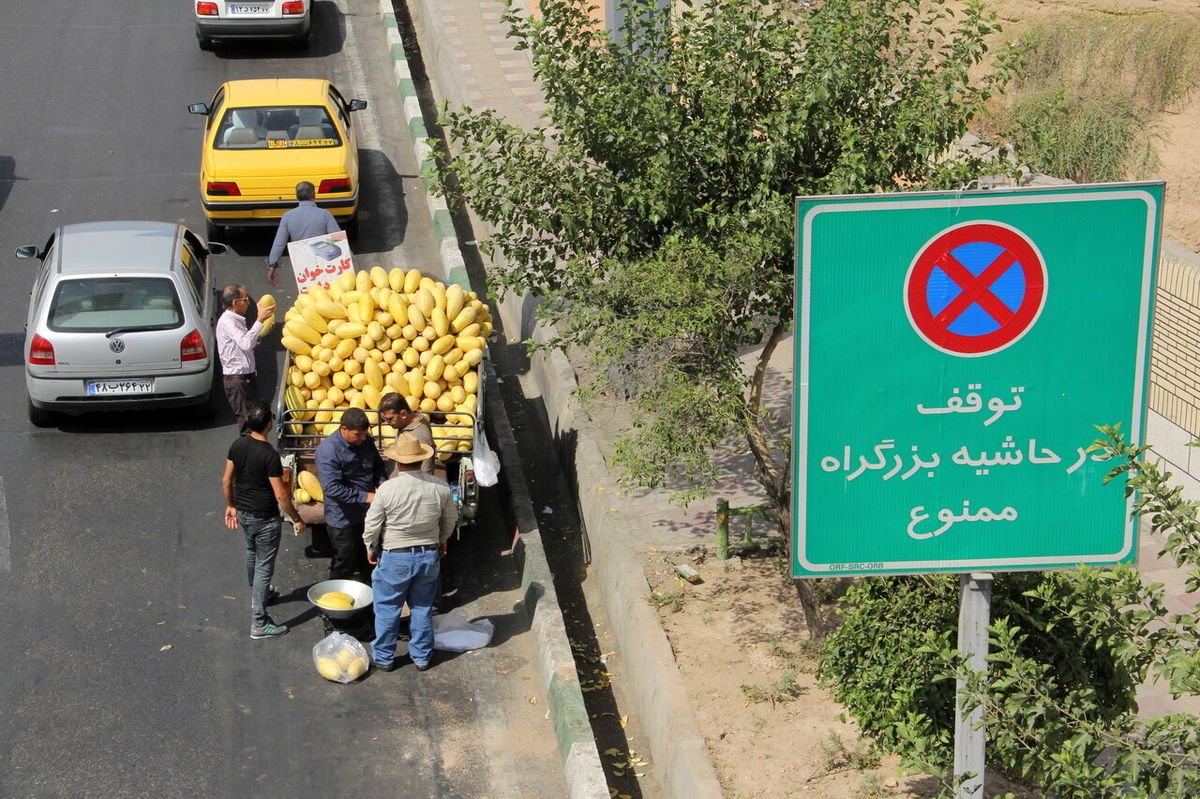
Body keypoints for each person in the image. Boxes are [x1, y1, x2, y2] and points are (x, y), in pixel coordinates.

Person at [364, 433, 458, 672]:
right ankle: (422, 657)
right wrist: (442, 541)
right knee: (422, 607)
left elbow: (372, 525)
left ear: (398, 461)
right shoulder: (440, 487)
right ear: (421, 460)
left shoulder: (387, 489)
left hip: (396, 556)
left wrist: (371, 547)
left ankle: (384, 657)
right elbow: (450, 520)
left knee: (387, 608)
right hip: (428, 556)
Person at [221, 401, 306, 640]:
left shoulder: (238, 445)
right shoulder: (269, 454)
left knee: (251, 553)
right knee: (264, 568)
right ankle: (259, 622)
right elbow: (281, 494)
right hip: (265, 519)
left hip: (245, 514)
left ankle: (261, 593)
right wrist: (296, 518)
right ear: (269, 424)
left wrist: (231, 505)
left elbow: (227, 481)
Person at [315, 407, 388, 582]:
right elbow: (332, 488)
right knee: (345, 560)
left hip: (366, 514)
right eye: (358, 435)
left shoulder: (366, 441)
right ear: (344, 429)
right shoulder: (328, 451)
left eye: (365, 434)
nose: (363, 438)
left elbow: (377, 465)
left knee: (368, 556)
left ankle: (369, 600)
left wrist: (383, 485)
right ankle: (334, 601)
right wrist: (366, 497)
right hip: (343, 517)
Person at [216, 284, 273, 436]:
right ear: (235, 303)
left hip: (246, 378)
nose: (249, 302)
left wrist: (260, 335)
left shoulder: (236, 320)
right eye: (245, 299)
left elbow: (245, 344)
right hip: (238, 381)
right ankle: (248, 455)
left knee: (255, 421)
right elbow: (246, 344)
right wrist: (260, 320)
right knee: (247, 424)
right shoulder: (228, 321)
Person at [265, 180, 341, 286]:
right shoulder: (325, 214)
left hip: (302, 265)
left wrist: (272, 267)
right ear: (314, 195)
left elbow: (279, 244)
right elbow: (338, 239)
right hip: (325, 261)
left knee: (307, 296)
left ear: (297, 196)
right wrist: (347, 257)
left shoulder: (287, 216)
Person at [378, 393, 437, 475]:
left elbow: (426, 470)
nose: (386, 423)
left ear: (403, 414)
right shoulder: (407, 423)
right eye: (385, 419)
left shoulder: (419, 436)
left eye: (390, 419)